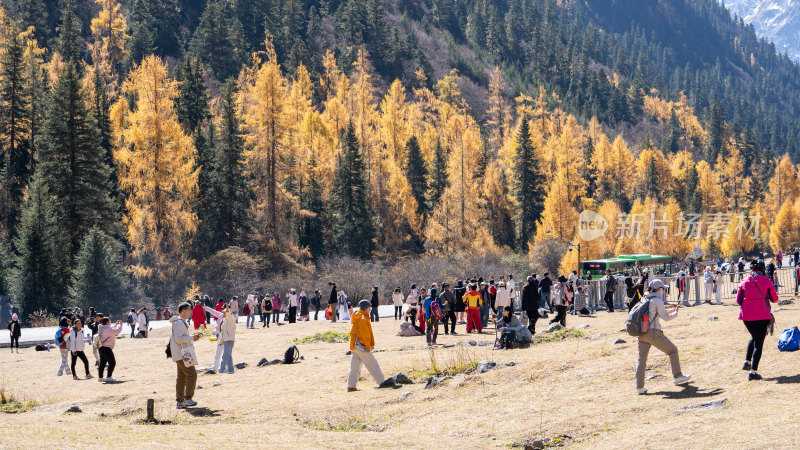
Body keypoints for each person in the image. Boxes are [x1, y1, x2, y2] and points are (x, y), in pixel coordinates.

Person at [635, 279, 691, 394]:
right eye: (662, 288)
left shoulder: (645, 298)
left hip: (641, 333)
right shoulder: (657, 300)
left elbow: (654, 314)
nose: (663, 291)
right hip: (653, 333)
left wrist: (668, 311)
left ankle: (640, 387)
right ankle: (677, 376)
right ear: (657, 289)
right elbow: (665, 317)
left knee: (641, 360)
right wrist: (675, 313)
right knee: (673, 351)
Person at [737, 259, 778, 381]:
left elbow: (738, 300)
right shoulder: (767, 281)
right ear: (763, 269)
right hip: (761, 316)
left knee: (754, 337)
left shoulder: (744, 281)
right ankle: (753, 372)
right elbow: (774, 299)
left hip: (747, 317)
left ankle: (747, 362)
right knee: (759, 343)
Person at [347, 300, 394, 392]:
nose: (370, 309)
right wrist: (368, 346)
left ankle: (351, 386)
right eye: (369, 307)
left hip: (354, 345)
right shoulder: (363, 318)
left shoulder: (357, 315)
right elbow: (365, 334)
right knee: (372, 364)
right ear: (365, 308)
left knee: (355, 367)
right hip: (361, 346)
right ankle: (382, 382)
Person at [170, 302, 201, 408]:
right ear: (183, 311)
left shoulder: (180, 322)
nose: (191, 311)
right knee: (192, 374)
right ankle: (188, 399)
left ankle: (180, 401)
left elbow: (180, 338)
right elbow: (178, 339)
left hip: (180, 353)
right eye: (189, 309)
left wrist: (192, 338)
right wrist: (191, 338)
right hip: (182, 354)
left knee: (182, 377)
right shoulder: (179, 323)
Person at [97, 318, 122, 382]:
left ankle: (100, 377)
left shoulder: (102, 328)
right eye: (109, 321)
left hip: (101, 347)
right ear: (107, 322)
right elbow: (116, 331)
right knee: (112, 362)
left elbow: (111, 329)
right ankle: (109, 377)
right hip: (106, 348)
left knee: (102, 363)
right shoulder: (108, 329)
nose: (110, 322)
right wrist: (120, 325)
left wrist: (116, 325)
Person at [204, 305, 225, 371]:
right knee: (218, 352)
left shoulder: (230, 318)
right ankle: (216, 367)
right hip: (219, 336)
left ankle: (224, 367)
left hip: (226, 337)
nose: (223, 311)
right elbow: (213, 312)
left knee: (225, 353)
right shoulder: (221, 315)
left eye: (224, 309)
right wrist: (206, 308)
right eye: (222, 309)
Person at [218, 306, 237, 373]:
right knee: (228, 355)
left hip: (230, 339)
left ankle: (221, 369)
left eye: (224, 312)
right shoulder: (224, 320)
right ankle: (231, 370)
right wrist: (221, 341)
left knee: (225, 355)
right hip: (226, 340)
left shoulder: (231, 318)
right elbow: (223, 332)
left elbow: (230, 317)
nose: (224, 313)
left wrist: (227, 311)